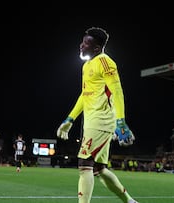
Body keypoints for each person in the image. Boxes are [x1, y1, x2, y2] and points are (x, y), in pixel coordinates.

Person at [57, 27, 137, 203]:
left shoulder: (106, 63)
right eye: (82, 41)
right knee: (99, 169)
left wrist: (121, 122)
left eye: (86, 43)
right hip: (91, 122)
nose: (81, 45)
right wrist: (70, 119)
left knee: (84, 165)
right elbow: (85, 95)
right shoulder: (86, 66)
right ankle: (130, 201)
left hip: (102, 121)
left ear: (96, 48)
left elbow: (117, 91)